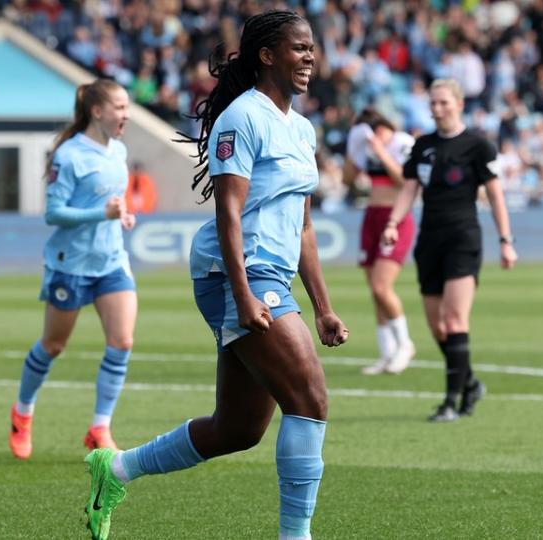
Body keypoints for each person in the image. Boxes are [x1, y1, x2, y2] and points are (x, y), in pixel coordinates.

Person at [82, 11, 349, 540]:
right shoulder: (242, 118)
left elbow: (304, 226)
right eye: (298, 48)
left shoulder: (302, 128)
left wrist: (322, 306)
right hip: (238, 273)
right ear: (267, 55)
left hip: (269, 274)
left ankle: (113, 469)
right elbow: (229, 213)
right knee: (311, 400)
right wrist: (246, 294)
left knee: (238, 429)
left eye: (312, 48)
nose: (310, 57)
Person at [8, 79, 137, 460]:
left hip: (111, 261)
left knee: (122, 342)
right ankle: (22, 413)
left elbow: (114, 197)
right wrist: (103, 213)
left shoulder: (119, 150)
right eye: (119, 107)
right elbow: (53, 213)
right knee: (53, 345)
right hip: (71, 266)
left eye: (127, 107)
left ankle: (100, 427)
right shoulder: (68, 155)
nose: (126, 114)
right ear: (97, 111)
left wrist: (122, 214)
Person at [382, 79, 518, 423]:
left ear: (458, 104)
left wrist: (505, 241)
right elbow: (409, 189)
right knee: (437, 328)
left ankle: (450, 401)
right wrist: (393, 222)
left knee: (455, 319)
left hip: (463, 238)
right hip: (429, 240)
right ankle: (470, 382)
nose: (436, 108)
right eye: (433, 102)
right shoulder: (422, 146)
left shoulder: (479, 146)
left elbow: (496, 195)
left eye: (443, 102)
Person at [343, 108, 417, 375]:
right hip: (371, 215)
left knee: (381, 286)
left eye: (380, 131)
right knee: (375, 293)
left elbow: (404, 181)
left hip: (395, 217)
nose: (376, 137)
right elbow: (347, 179)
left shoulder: (402, 145)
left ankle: (405, 343)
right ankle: (386, 352)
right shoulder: (364, 148)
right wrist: (354, 148)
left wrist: (381, 150)